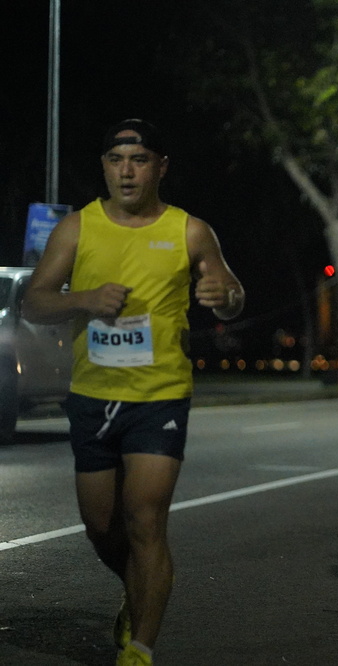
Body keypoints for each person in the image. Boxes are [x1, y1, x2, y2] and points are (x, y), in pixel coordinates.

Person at [22, 119, 245, 666]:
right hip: (93, 394)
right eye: (117, 160)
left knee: (145, 519)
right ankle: (140, 586)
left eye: (139, 160)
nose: (127, 171)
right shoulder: (77, 228)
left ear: (160, 168)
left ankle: (140, 649)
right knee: (102, 527)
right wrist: (84, 298)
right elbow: (34, 302)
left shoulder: (190, 230)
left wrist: (225, 296)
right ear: (104, 166)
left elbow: (231, 295)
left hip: (160, 395)